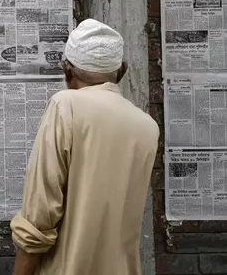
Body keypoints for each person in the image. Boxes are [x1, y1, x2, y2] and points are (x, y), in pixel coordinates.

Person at [11, 19, 159, 275]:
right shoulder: (147, 125)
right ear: (121, 71)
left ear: (66, 70)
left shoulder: (65, 105)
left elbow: (39, 216)